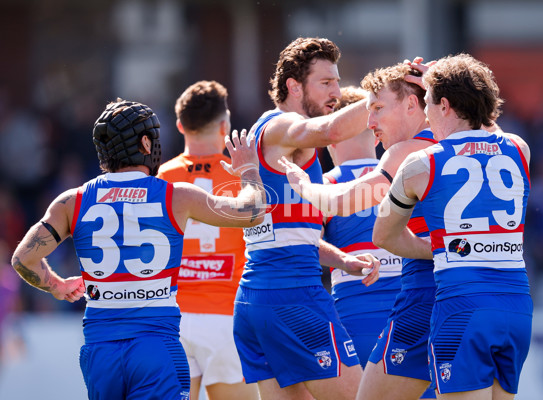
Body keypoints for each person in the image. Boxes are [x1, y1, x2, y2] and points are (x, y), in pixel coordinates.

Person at [11, 99, 266, 400]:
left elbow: (23, 258)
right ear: (146, 142)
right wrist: (249, 169)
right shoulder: (175, 195)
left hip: (100, 347)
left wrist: (55, 285)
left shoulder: (72, 201)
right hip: (155, 345)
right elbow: (252, 211)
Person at [373, 53, 532, 400]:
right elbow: (490, 132)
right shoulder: (520, 149)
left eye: (428, 102)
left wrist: (436, 247)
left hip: (461, 307)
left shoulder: (421, 163)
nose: (425, 112)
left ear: (444, 106)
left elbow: (382, 235)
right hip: (516, 307)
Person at [232, 37, 380, 400]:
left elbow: (291, 236)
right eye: (326, 82)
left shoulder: (286, 140)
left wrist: (342, 259)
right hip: (292, 297)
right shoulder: (285, 126)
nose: (335, 92)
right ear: (294, 87)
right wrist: (384, 99)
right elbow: (331, 130)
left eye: (336, 81)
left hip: (258, 300)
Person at [280, 62, 438, 400]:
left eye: (378, 110)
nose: (372, 121)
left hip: (376, 307)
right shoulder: (463, 144)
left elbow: (324, 222)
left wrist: (304, 185)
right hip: (466, 298)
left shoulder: (396, 157)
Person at [157, 80, 259, 400]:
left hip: (174, 317)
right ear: (225, 125)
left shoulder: (162, 177)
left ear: (179, 126)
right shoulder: (240, 174)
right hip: (227, 316)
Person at [320, 86, 403, 368]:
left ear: (330, 140)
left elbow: (303, 244)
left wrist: (345, 260)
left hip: (354, 316)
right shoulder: (405, 173)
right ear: (375, 134)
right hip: (409, 313)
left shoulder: (324, 186)